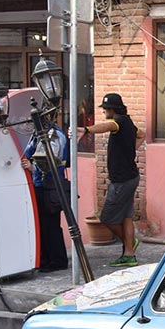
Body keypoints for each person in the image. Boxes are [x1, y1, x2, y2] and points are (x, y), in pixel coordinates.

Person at [77, 93, 144, 267]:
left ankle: (129, 244)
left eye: (106, 108)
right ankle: (129, 255)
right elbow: (141, 135)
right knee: (126, 217)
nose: (104, 111)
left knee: (107, 217)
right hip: (131, 177)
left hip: (122, 180)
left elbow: (108, 126)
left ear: (113, 109)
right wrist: (131, 150)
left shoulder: (119, 122)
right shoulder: (128, 122)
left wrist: (86, 130)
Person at [21, 122, 69, 272]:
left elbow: (50, 163)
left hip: (50, 186)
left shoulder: (54, 136)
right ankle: (45, 259)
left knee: (51, 225)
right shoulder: (36, 135)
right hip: (39, 184)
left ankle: (57, 260)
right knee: (42, 224)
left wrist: (32, 167)